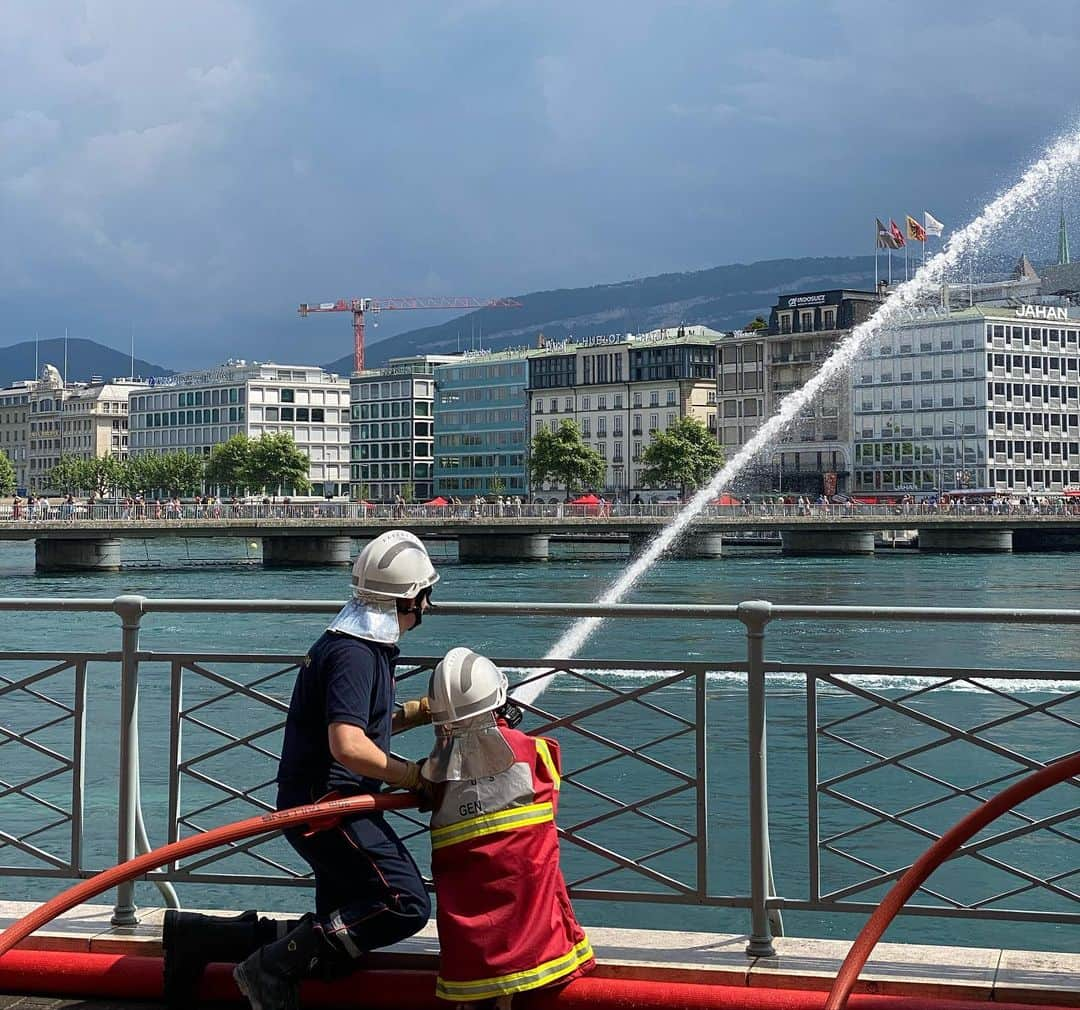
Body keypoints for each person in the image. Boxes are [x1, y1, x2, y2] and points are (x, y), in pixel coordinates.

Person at [163, 530, 439, 1010]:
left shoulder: (350, 643)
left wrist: (412, 713)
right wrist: (414, 777)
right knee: (404, 904)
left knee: (337, 943)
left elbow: (355, 724)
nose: (428, 609)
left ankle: (198, 938)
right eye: (426, 598)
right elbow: (349, 744)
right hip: (330, 808)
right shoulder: (357, 654)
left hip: (318, 801)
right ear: (409, 598)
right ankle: (267, 969)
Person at [423, 647, 594, 1008]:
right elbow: (541, 765)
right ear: (499, 700)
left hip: (467, 960)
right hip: (537, 949)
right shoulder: (536, 755)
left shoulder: (435, 781)